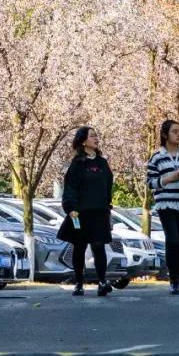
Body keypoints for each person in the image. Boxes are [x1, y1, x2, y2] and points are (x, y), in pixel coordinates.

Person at [146, 119, 179, 295]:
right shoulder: (157, 157)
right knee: (173, 239)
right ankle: (174, 279)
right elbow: (150, 182)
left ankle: (177, 272)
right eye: (174, 131)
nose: (178, 134)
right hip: (166, 203)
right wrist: (171, 178)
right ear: (165, 135)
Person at [59, 126, 114, 297]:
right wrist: (70, 208)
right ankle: (79, 282)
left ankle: (102, 281)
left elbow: (108, 187)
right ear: (83, 141)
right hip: (81, 213)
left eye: (97, 135)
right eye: (92, 136)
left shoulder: (103, 163)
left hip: (99, 212)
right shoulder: (77, 163)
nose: (96, 138)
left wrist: (107, 208)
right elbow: (70, 187)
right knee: (80, 246)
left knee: (99, 246)